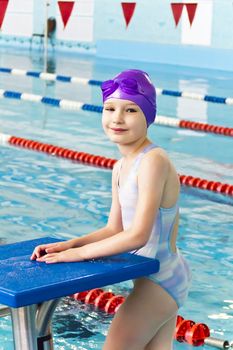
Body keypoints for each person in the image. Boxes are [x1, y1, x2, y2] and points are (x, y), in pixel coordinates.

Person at [31, 69, 191, 350]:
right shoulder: (120, 167)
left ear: (148, 115)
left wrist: (76, 255)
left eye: (130, 110)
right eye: (110, 108)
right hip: (155, 279)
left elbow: (138, 235)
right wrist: (67, 245)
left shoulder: (154, 160)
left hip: (161, 279)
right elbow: (114, 229)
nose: (117, 118)